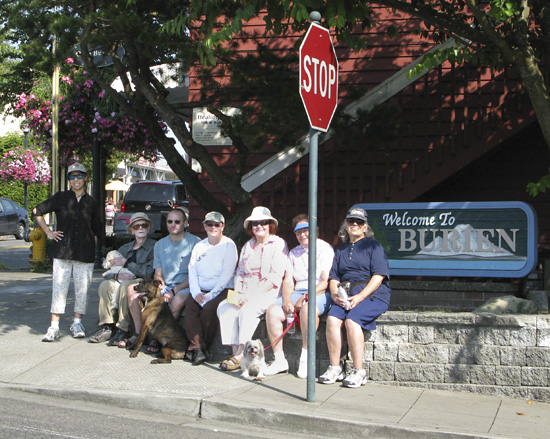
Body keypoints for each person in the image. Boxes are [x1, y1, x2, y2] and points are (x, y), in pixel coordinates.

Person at [318, 207, 391, 388]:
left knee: (352, 321)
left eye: (359, 222)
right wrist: (335, 296)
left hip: (373, 294)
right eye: (351, 221)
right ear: (346, 225)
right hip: (346, 294)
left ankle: (359, 371)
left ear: (365, 227)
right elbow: (334, 277)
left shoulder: (374, 246)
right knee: (333, 319)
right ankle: (335, 367)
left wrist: (360, 296)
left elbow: (379, 276)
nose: (355, 225)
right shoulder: (341, 250)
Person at [34, 163, 101, 341]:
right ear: (69, 180)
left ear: (85, 177)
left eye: (79, 176)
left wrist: (91, 247)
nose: (76, 180)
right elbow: (37, 211)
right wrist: (48, 232)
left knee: (82, 290)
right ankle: (54, 327)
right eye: (72, 176)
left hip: (84, 254)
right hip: (63, 251)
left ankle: (77, 323)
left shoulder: (92, 202)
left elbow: (96, 229)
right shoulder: (62, 198)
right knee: (59, 289)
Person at [217, 206, 288, 371]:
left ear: (270, 224)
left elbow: (274, 278)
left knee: (248, 309)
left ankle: (241, 353)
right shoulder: (248, 246)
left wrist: (249, 296)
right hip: (245, 291)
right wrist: (239, 292)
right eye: (255, 224)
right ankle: (235, 350)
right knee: (224, 307)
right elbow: (240, 272)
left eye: (263, 222)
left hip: (267, 292)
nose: (259, 226)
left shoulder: (278, 244)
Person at [264, 214, 335, 378]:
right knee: (272, 312)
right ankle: (279, 359)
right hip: (298, 291)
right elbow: (288, 280)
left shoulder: (325, 249)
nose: (302, 235)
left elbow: (325, 281)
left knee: (307, 310)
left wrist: (306, 298)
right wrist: (288, 299)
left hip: (319, 291)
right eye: (298, 232)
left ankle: (306, 356)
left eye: (306, 230)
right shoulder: (294, 252)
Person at [125, 207, 199, 353]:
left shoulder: (195, 243)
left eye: (177, 222)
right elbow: (158, 272)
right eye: (170, 221)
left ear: (185, 223)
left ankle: (157, 338)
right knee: (131, 290)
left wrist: (173, 291)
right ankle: (140, 333)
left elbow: (194, 277)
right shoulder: (160, 245)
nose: (173, 225)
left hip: (186, 286)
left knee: (177, 301)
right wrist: (159, 283)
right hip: (166, 285)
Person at [88, 212, 156, 345]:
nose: (140, 228)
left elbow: (149, 272)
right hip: (121, 280)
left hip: (142, 282)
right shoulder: (124, 249)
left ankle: (122, 328)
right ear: (131, 230)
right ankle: (107, 326)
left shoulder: (154, 247)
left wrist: (127, 264)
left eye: (144, 225)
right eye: (136, 227)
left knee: (127, 286)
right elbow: (108, 271)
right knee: (105, 285)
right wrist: (116, 275)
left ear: (148, 228)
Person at [184, 212, 238, 365]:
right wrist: (195, 292)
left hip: (222, 289)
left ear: (223, 227)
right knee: (190, 307)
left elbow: (226, 274)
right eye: (210, 224)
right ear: (204, 226)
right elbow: (192, 270)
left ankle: (200, 347)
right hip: (201, 290)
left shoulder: (229, 245)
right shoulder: (199, 246)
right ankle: (198, 349)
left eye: (217, 224)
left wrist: (211, 295)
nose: (213, 227)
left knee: (209, 310)